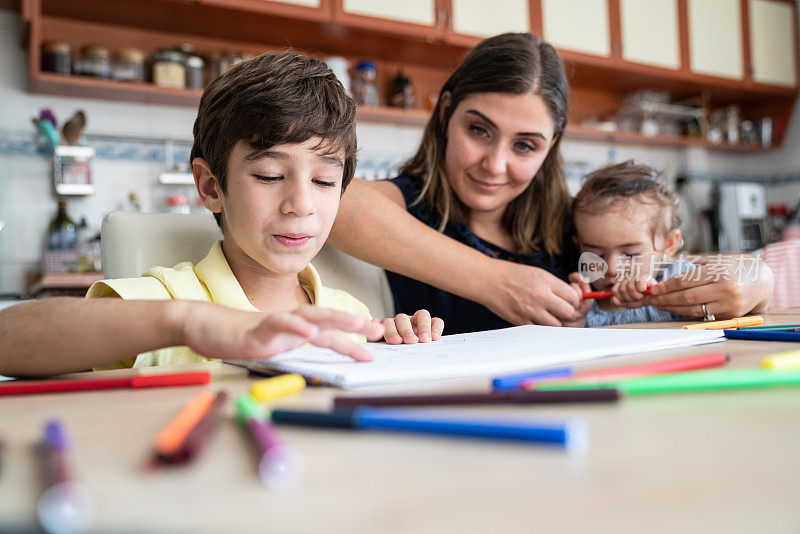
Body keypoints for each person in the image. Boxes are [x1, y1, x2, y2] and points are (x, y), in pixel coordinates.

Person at [0, 52, 442, 378]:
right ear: (212, 187)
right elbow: (8, 339)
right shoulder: (172, 297)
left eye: (325, 182)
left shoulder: (349, 315)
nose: (301, 204)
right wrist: (187, 323)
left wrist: (397, 344)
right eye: (270, 175)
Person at [328, 33, 773, 331]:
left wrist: (757, 279)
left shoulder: (577, 228)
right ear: (446, 112)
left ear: (551, 146)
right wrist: (495, 281)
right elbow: (335, 202)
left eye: (525, 145)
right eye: (479, 131)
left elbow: (664, 264)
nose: (495, 164)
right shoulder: (408, 205)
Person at [568, 161, 771, 327]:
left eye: (630, 254)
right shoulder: (584, 301)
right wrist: (575, 320)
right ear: (579, 246)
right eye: (596, 254)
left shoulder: (682, 277)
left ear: (669, 245)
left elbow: (739, 307)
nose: (611, 269)